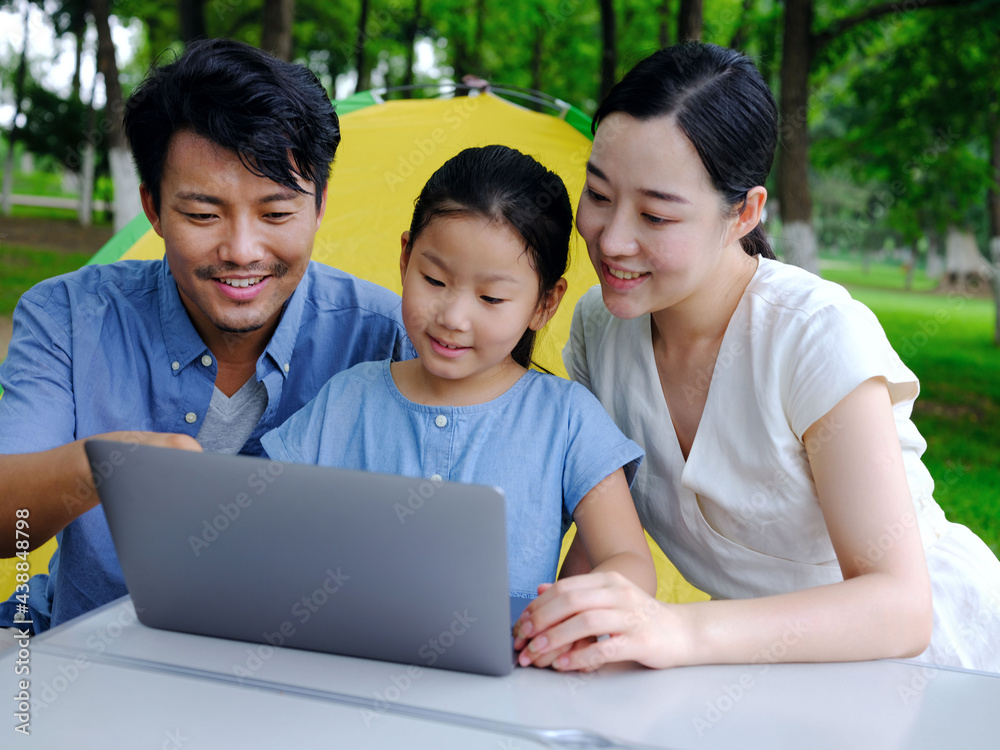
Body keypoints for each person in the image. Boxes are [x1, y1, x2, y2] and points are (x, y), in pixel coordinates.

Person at [514, 43, 1000, 673]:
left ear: (744, 212)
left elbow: (901, 608)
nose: (612, 239)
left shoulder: (814, 336)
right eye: (599, 195)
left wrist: (677, 631)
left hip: (931, 667)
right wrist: (550, 628)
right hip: (761, 669)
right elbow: (606, 532)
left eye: (656, 214)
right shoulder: (599, 327)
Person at [0, 39, 412, 639]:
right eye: (202, 215)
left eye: (275, 214)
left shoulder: (386, 337)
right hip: (93, 674)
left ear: (320, 206)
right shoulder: (66, 315)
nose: (242, 252)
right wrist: (106, 468)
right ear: (153, 209)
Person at [261, 145, 656, 602]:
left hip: (509, 669)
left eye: (490, 299)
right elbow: (265, 520)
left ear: (545, 304)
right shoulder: (347, 398)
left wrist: (571, 610)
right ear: (407, 258)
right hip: (347, 660)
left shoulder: (567, 418)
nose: (453, 317)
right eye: (435, 281)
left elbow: (628, 562)